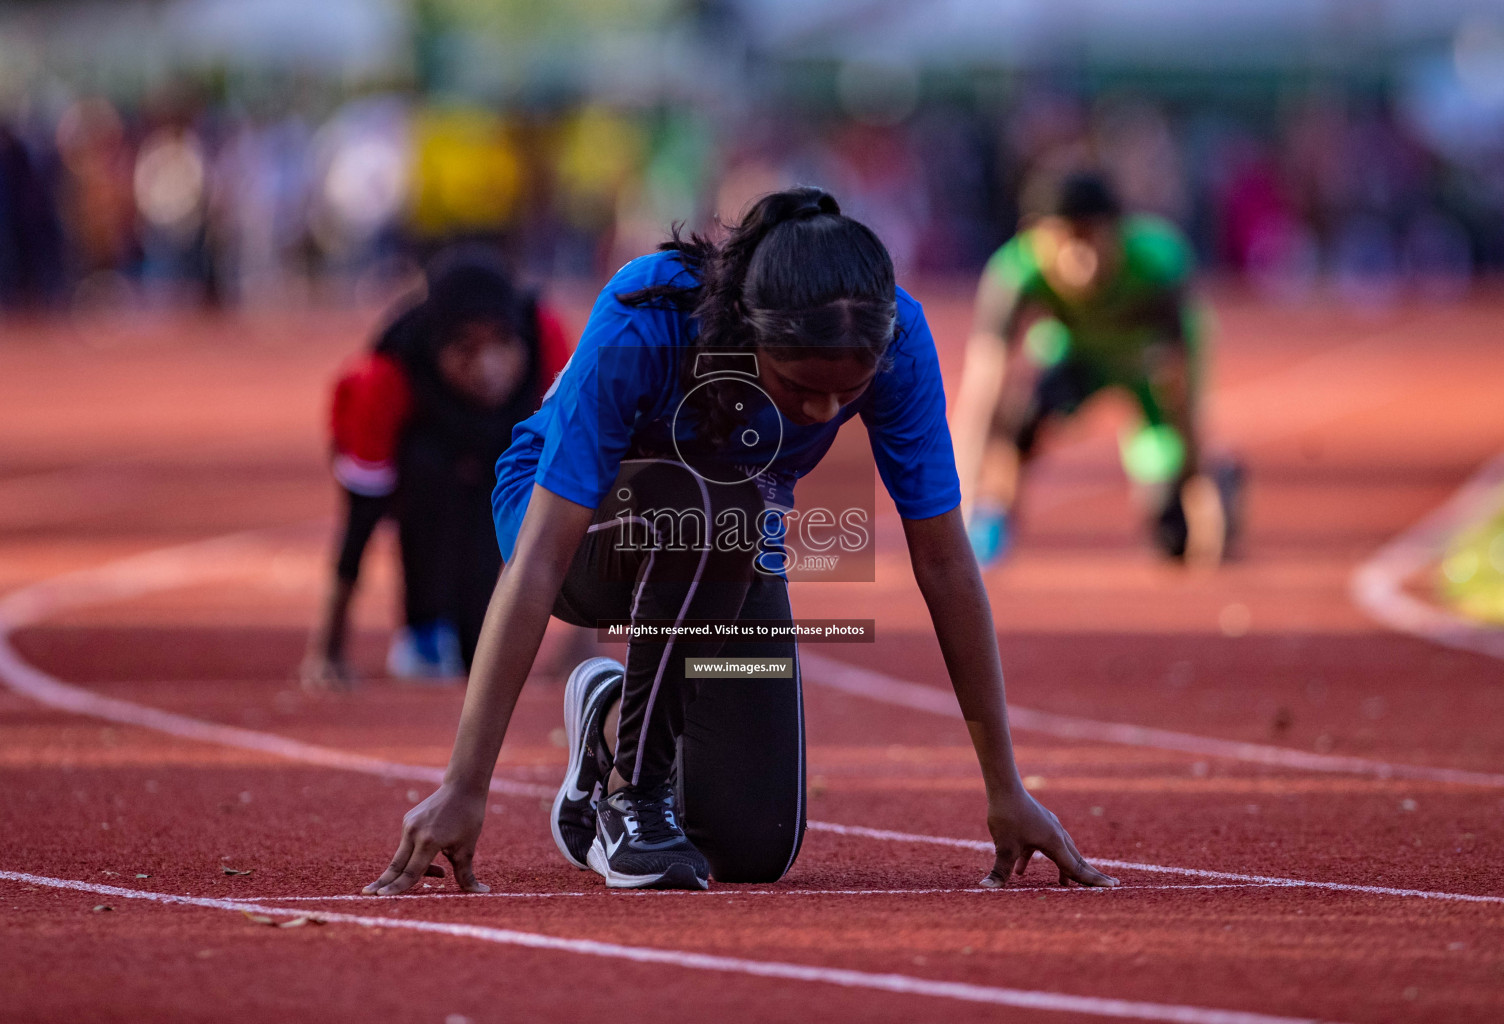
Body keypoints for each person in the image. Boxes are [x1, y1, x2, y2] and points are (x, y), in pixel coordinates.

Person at [363, 186, 1118, 893]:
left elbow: (946, 560)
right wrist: (466, 785)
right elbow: (537, 561)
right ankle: (631, 796)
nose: (823, 413)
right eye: (798, 390)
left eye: (846, 396)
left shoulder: (896, 338)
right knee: (721, 500)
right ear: (748, 335)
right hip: (568, 526)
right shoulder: (645, 313)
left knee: (753, 846)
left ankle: (611, 724)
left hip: (726, 541)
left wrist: (1005, 787)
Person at [300, 249, 571, 687]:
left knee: (474, 648)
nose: (488, 368)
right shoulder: (384, 379)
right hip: (420, 477)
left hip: (501, 463)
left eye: (502, 344)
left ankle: (469, 625)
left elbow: (585, 492)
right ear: (436, 347)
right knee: (430, 467)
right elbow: (358, 525)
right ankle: (424, 627)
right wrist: (326, 652)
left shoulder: (548, 342)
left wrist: (582, 645)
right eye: (466, 350)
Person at [950, 171, 1239, 567]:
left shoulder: (1157, 266)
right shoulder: (1014, 274)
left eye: (1089, 238)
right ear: (1037, 238)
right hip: (1076, 357)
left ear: (1116, 233)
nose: (1077, 258)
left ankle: (1219, 475)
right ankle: (994, 512)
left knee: (1174, 536)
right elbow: (982, 393)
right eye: (1064, 241)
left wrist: (1197, 486)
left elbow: (1181, 393)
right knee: (1019, 417)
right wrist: (960, 500)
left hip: (1145, 369)